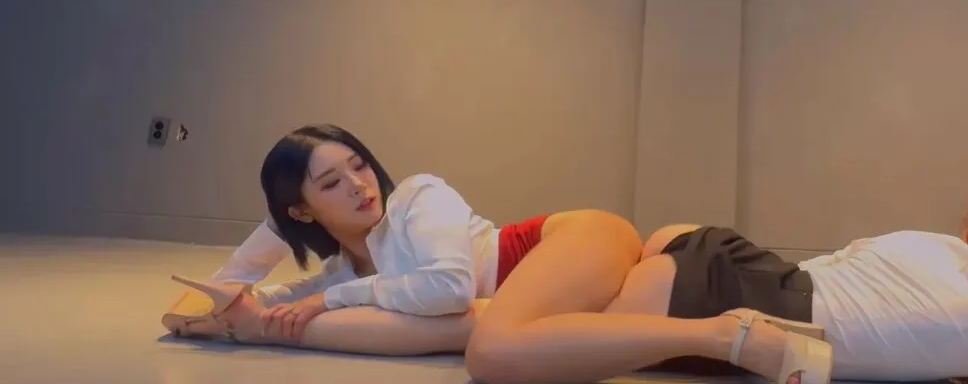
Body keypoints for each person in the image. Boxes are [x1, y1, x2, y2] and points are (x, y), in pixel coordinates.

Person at [590, 172, 968, 384]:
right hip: (740, 307)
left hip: (738, 262)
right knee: (552, 333)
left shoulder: (930, 246)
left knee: (610, 258)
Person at [163, 123, 647, 356]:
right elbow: (244, 295)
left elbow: (450, 291)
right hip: (551, 286)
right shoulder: (342, 271)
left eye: (359, 165)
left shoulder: (419, 197)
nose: (359, 185)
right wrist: (276, 230)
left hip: (572, 239)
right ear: (302, 210)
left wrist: (329, 300)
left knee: (496, 344)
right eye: (331, 184)